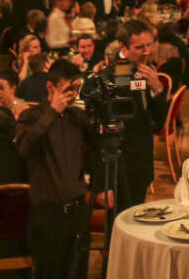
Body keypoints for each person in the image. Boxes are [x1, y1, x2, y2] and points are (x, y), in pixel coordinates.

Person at [17, 58, 102, 279]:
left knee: (78, 273)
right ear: (50, 87)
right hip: (47, 214)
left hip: (77, 211)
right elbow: (24, 149)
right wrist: (53, 112)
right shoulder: (32, 116)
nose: (73, 95)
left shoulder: (78, 117)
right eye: (67, 90)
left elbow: (98, 149)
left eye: (76, 89)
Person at [109, 19, 171, 211]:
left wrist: (157, 89)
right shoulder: (117, 72)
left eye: (148, 45)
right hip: (123, 165)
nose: (146, 51)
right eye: (139, 47)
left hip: (141, 160)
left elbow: (157, 123)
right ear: (123, 46)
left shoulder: (143, 67)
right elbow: (127, 120)